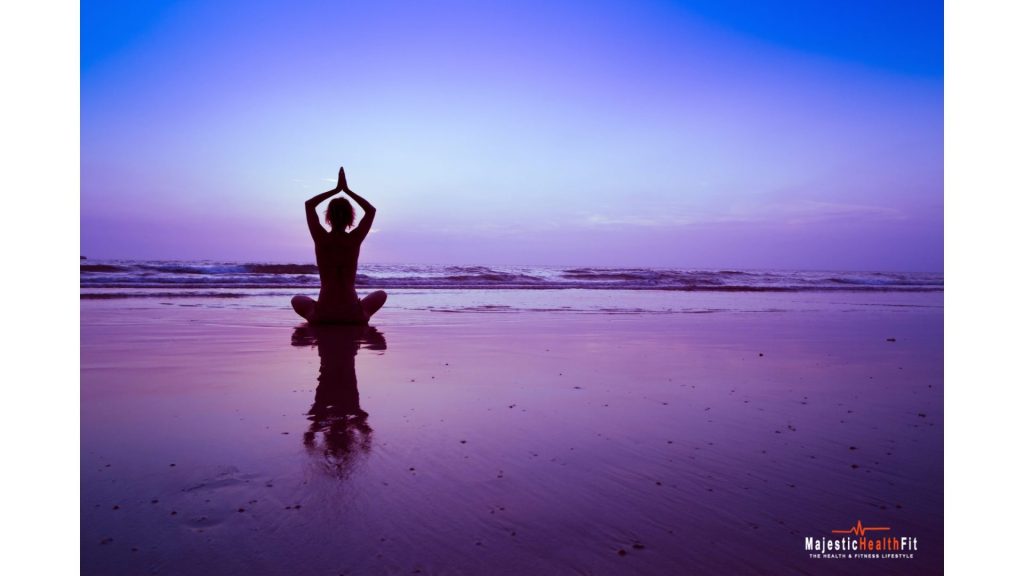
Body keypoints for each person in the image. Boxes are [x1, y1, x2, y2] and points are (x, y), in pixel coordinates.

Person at [291, 167, 387, 324]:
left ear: (328, 217)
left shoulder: (321, 238)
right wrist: (347, 190)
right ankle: (362, 312)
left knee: (296, 299)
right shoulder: (354, 239)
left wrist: (336, 190)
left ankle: (316, 313)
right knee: (381, 294)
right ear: (351, 218)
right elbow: (370, 210)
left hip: (323, 315)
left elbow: (309, 205)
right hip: (353, 315)